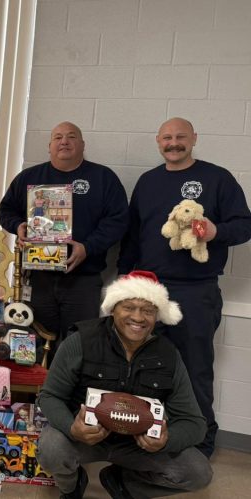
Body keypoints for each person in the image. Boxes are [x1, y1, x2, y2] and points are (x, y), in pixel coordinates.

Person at [118, 117, 251, 458]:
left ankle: (200, 444)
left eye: (180, 137)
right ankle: (147, 436)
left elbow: (244, 225)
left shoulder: (217, 178)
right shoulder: (148, 182)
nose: (173, 143)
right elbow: (133, 237)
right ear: (158, 141)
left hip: (195, 290)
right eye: (166, 137)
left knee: (194, 368)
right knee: (144, 366)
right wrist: (124, 282)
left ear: (194, 138)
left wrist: (214, 231)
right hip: (147, 289)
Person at [36, 271, 213, 499]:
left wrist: (166, 439)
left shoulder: (168, 355)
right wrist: (72, 427)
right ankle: (71, 487)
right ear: (113, 308)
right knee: (51, 449)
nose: (138, 318)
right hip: (86, 438)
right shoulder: (81, 340)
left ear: (156, 315)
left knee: (198, 473)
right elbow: (49, 396)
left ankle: (124, 484)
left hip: (137, 446)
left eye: (148, 310)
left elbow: (195, 423)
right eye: (128, 307)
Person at [0, 121, 128, 358]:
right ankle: (35, 395)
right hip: (39, 278)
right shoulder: (29, 177)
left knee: (81, 344)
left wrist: (88, 247)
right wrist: (19, 226)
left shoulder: (103, 178)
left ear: (82, 144)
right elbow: (5, 210)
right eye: (58, 137)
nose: (64, 141)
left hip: (82, 279)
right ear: (50, 146)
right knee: (33, 344)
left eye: (71, 137)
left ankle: (72, 395)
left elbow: (117, 221)